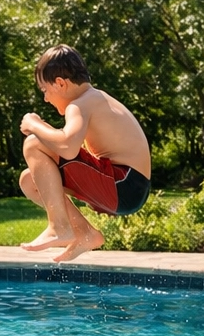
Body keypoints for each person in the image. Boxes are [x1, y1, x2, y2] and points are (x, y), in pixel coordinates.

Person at [18, 45, 152, 264]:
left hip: (123, 184)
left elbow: (68, 147)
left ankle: (59, 227)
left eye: (45, 90)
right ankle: (85, 233)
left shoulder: (80, 105)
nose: (46, 99)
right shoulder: (95, 99)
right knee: (30, 180)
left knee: (33, 143)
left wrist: (34, 125)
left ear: (60, 83)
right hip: (128, 189)